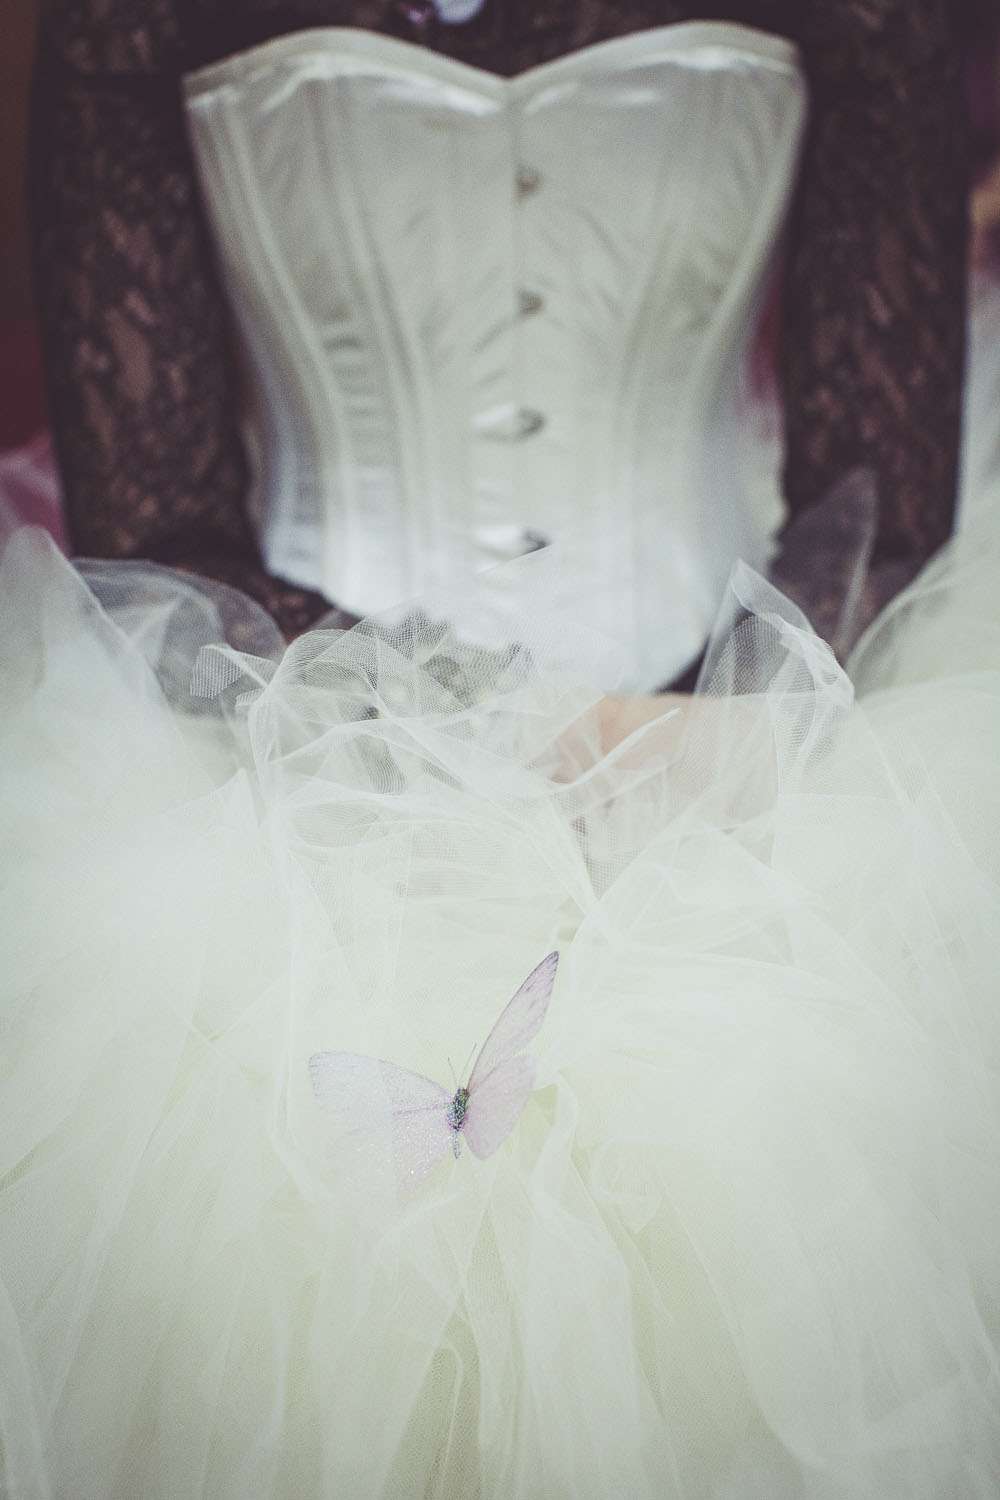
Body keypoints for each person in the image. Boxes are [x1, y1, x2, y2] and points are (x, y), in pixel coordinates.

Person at [3, 7, 1000, 1499]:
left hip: (747, 746)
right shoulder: (128, 17)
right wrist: (508, 723)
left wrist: (727, 717)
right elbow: (158, 518)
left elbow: (881, 473)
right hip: (284, 770)